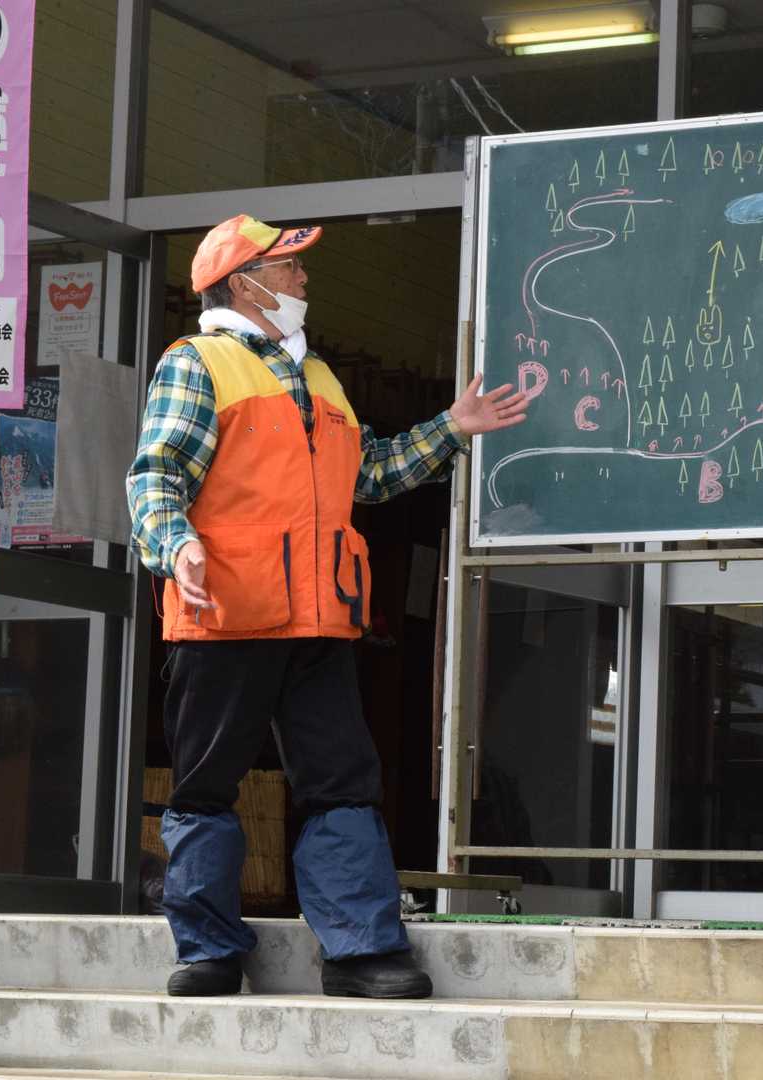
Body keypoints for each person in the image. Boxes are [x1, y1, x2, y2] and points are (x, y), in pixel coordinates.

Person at [127, 214, 527, 998]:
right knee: (207, 785)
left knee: (343, 783)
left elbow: (368, 473)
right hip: (227, 615)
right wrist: (176, 545)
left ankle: (359, 952)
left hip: (318, 620)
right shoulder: (197, 363)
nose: (303, 278)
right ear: (244, 283)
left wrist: (453, 428)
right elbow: (157, 473)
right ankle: (207, 950)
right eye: (289, 266)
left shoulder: (318, 377)